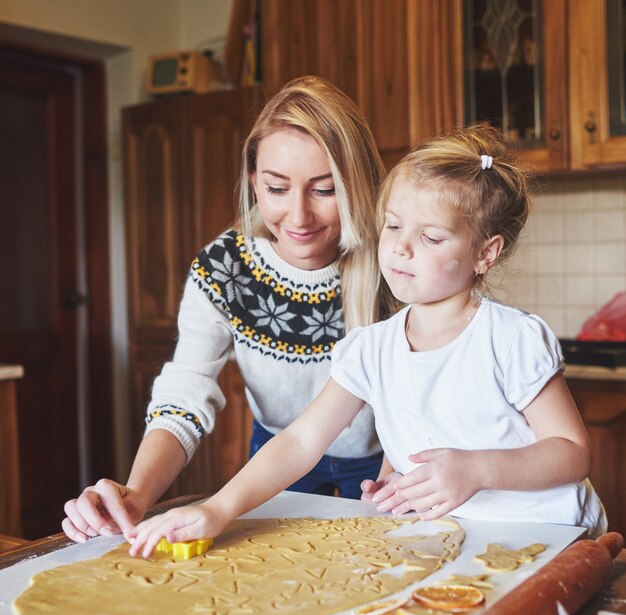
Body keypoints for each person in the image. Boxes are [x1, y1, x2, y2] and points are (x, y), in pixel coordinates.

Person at [126, 125, 607, 558]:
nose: (400, 246)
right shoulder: (371, 348)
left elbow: (571, 452)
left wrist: (476, 470)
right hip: (455, 540)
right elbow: (300, 440)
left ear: (485, 253)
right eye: (394, 226)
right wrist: (218, 508)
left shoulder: (510, 338)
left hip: (551, 538)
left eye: (432, 237)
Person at [62, 76, 397, 544]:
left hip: (384, 457)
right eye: (277, 189)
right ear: (252, 179)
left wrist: (394, 473)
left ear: (357, 183)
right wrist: (137, 493)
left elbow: (423, 381)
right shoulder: (225, 270)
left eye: (324, 190)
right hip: (275, 458)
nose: (298, 218)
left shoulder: (396, 260)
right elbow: (186, 389)